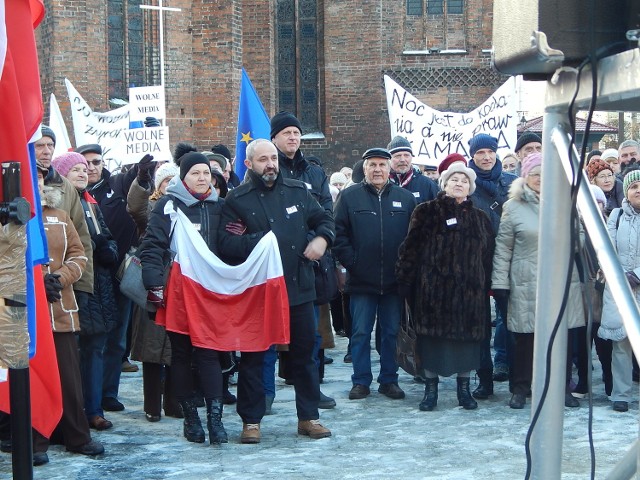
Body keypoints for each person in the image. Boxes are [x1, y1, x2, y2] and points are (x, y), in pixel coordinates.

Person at [218, 138, 335, 443]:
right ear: (248, 164)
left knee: (305, 356)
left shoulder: (298, 190)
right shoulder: (237, 200)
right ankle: (251, 421)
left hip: (299, 286)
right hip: (260, 292)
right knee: (255, 357)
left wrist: (322, 239)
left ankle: (309, 417)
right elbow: (227, 244)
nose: (270, 164)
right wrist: (262, 241)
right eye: (262, 160)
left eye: (273, 158)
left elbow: (324, 218)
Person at [140, 151, 229, 444]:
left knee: (209, 354)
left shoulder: (222, 206)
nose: (202, 178)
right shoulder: (168, 205)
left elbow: (231, 245)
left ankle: (215, 420)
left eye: (206, 173)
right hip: (178, 290)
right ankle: (191, 419)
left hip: (211, 292)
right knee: (181, 354)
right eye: (195, 173)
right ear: (183, 177)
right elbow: (152, 246)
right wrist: (154, 285)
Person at [395, 162, 494, 411]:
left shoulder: (480, 218)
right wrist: (405, 281)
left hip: (469, 295)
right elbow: (410, 248)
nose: (459, 184)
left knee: (466, 345)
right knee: (431, 343)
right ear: (444, 184)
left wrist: (488, 286)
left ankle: (464, 390)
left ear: (470, 188)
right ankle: (431, 391)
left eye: (464, 181)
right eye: (454, 179)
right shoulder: (425, 211)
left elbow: (489, 256)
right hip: (433, 293)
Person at [491, 153, 584, 409]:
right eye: (535, 174)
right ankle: (521, 388)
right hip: (526, 280)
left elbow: (581, 240)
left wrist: (574, 233)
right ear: (526, 177)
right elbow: (503, 249)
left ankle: (562, 388)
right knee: (525, 338)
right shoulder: (513, 206)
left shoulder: (567, 203)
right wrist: (500, 284)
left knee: (561, 336)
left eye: (546, 174)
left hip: (560, 279)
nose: (541, 179)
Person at [333, 148, 417, 401]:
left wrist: (406, 267)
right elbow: (338, 233)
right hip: (361, 281)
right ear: (365, 168)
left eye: (382, 164)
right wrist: (353, 262)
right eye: (373, 165)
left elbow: (414, 237)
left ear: (389, 169)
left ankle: (389, 380)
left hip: (394, 282)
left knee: (391, 332)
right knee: (359, 333)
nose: (378, 169)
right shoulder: (349, 197)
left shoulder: (405, 197)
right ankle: (361, 381)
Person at [35, 160, 104, 461]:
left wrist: (59, 278)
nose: (36, 186)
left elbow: (79, 255)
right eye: (31, 180)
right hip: (25, 314)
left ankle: (76, 435)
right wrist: (36, 284)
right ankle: (35, 440)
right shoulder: (8, 220)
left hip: (60, 310)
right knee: (33, 379)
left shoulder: (60, 216)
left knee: (68, 377)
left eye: (40, 180)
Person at [269, 111, 336, 410]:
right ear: (274, 139)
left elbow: (325, 213)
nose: (293, 137)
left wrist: (316, 241)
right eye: (287, 133)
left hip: (309, 265)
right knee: (268, 337)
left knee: (310, 336)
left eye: (296, 133)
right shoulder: (268, 170)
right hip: (274, 265)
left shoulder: (314, 172)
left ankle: (311, 393)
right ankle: (264, 393)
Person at [51, 152, 119, 432]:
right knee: (71, 353)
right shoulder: (55, 203)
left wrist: (107, 250)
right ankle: (71, 412)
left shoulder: (91, 204)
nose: (83, 172)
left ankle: (93, 410)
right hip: (69, 285)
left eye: (84, 168)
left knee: (95, 349)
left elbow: (109, 238)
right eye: (75, 169)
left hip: (97, 286)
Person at [78, 143, 143, 411]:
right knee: (93, 341)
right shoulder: (76, 194)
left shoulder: (118, 186)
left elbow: (138, 194)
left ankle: (109, 393)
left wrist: (143, 177)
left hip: (117, 274)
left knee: (117, 339)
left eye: (96, 162)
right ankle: (88, 397)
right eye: (86, 164)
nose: (91, 168)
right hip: (89, 277)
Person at [127, 160, 183, 422]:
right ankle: (152, 405)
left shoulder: (186, 207)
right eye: (166, 181)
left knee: (176, 347)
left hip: (180, 285)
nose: (171, 185)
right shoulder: (152, 208)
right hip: (154, 283)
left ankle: (173, 402)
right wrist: (141, 181)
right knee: (152, 351)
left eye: (175, 181)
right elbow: (136, 208)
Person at [466, 133, 517, 400]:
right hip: (477, 264)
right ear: (472, 156)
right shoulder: (467, 185)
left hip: (508, 261)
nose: (485, 157)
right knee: (480, 323)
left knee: (511, 319)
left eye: (490, 152)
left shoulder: (512, 183)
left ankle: (515, 377)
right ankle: (484, 378)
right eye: (479, 153)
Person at [599, 166, 640, 412]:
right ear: (627, 191)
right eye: (634, 186)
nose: (639, 190)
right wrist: (620, 274)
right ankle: (621, 394)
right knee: (621, 343)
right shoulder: (615, 216)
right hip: (621, 287)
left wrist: (637, 274)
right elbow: (606, 247)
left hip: (634, 281)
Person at [386, 135, 439, 204]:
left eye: (406, 155)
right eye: (398, 156)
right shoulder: (381, 185)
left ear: (411, 157)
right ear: (389, 159)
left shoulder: (428, 185)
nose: (402, 160)